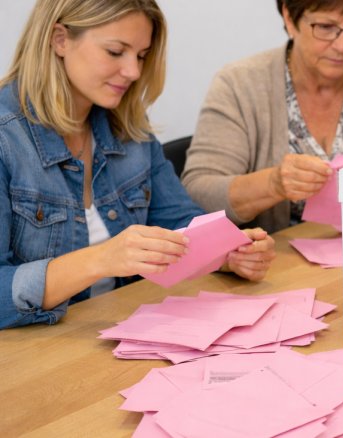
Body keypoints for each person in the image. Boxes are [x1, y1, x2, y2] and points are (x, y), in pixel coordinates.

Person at [0, 0, 277, 330]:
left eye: (141, 55)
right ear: (60, 39)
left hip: (118, 335)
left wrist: (227, 253)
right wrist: (101, 259)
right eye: (116, 52)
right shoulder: (7, 138)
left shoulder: (129, 126)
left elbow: (179, 224)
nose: (133, 71)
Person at [182, 0, 343, 234]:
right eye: (325, 27)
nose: (342, 45)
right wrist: (273, 184)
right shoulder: (239, 85)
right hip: (276, 273)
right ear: (289, 18)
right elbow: (198, 193)